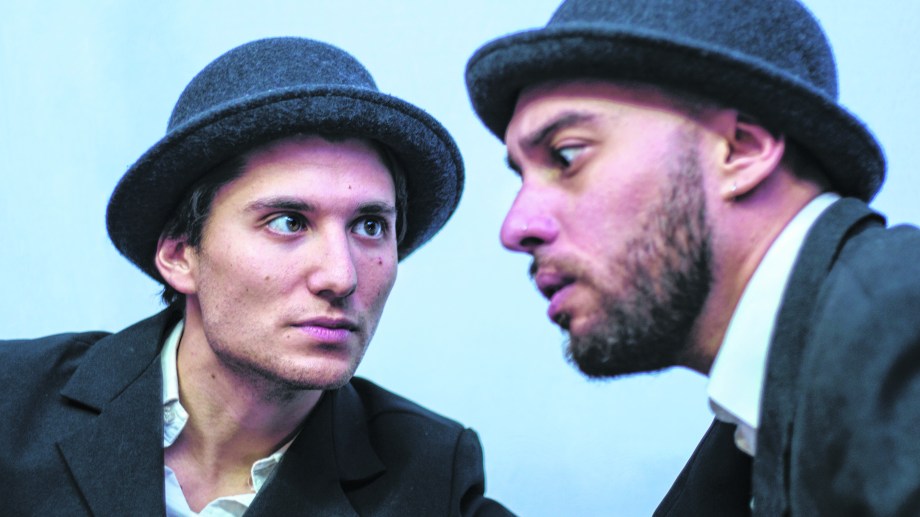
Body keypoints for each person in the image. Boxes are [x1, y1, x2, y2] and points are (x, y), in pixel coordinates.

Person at [0, 37, 511, 516]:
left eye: (370, 226)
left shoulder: (432, 475)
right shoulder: (12, 399)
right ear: (180, 254)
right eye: (288, 222)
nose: (341, 276)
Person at [466, 0, 920, 515]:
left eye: (567, 156)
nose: (515, 228)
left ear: (742, 150)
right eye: (521, 175)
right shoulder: (759, 418)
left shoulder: (896, 332)